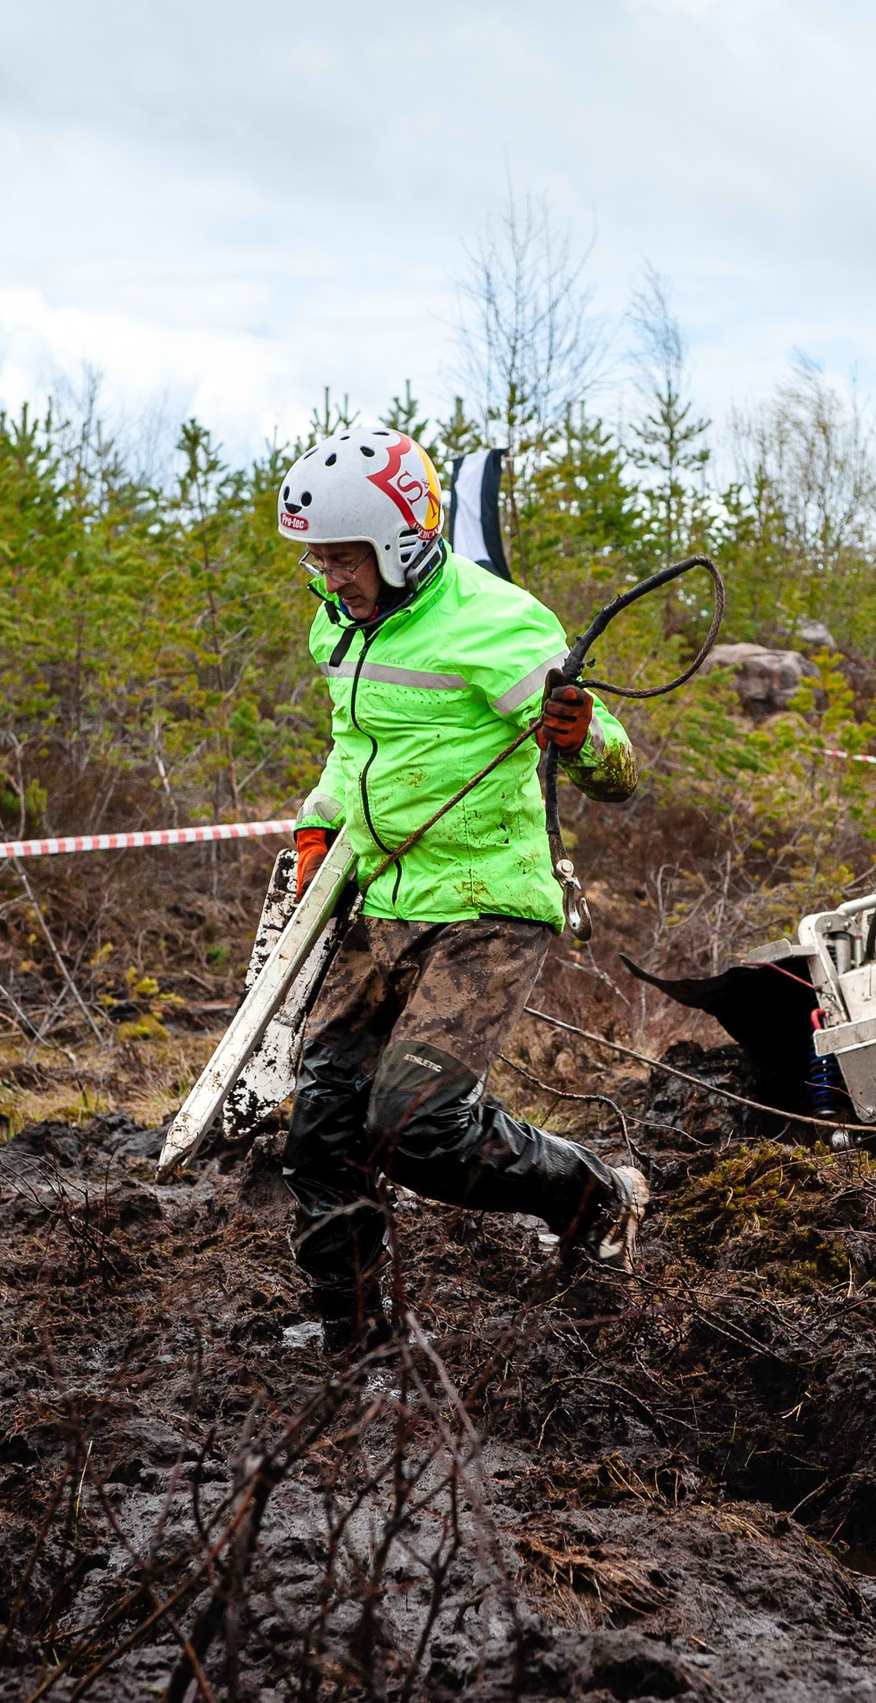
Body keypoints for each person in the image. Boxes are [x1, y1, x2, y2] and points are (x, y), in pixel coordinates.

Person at [270, 425, 648, 1349]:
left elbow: (617, 772)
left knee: (418, 1128)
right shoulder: (338, 622)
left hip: (485, 907)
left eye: (342, 555)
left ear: (399, 539)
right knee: (321, 1133)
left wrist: (579, 733)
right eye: (314, 556)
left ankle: (596, 1195)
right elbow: (356, 747)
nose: (327, 575)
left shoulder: (501, 623)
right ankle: (357, 1342)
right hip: (382, 903)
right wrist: (323, 822)